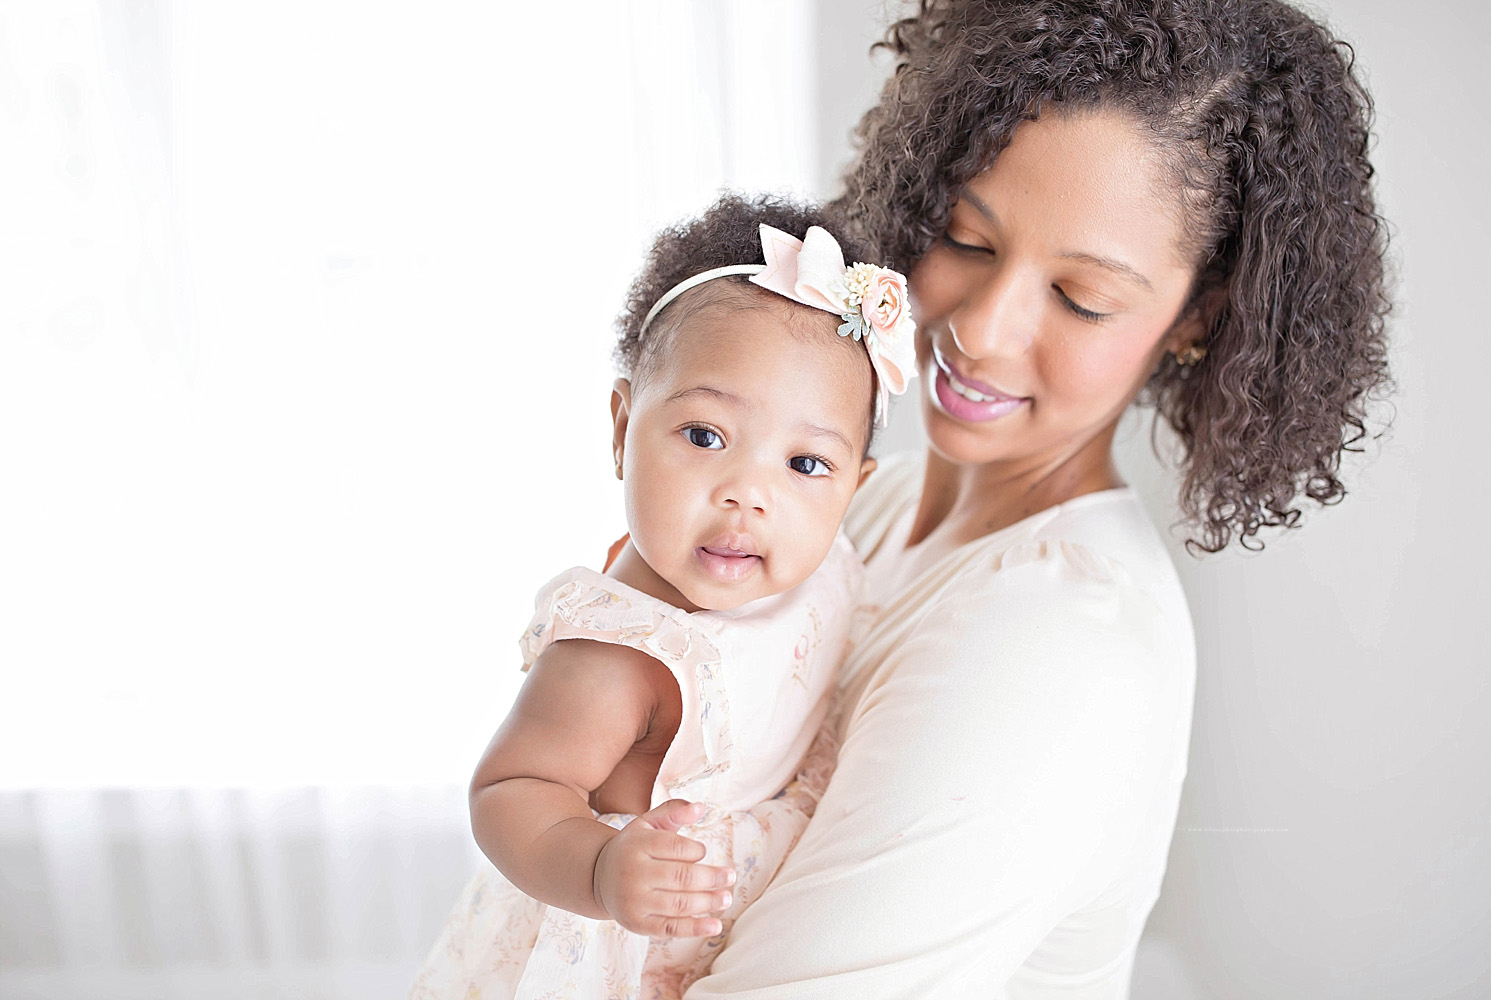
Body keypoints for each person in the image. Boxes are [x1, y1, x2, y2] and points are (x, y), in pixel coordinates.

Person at [679, 0, 1392, 996]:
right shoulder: (871, 505)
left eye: (1081, 298)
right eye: (968, 238)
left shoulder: (1054, 638)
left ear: (1197, 319)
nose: (983, 328)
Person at [407, 194, 919, 999]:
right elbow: (509, 791)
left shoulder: (819, 562)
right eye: (705, 436)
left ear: (853, 489)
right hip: (621, 954)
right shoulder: (623, 654)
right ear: (621, 428)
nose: (748, 495)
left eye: (805, 465)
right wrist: (604, 868)